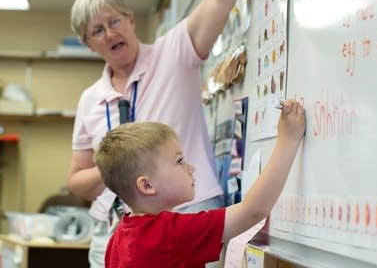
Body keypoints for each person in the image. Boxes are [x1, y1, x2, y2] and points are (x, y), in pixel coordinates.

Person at [67, 0, 272, 267]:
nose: (110, 33)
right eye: (97, 30)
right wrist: (117, 167)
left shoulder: (174, 52)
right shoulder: (91, 100)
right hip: (120, 228)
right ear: (87, 42)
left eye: (114, 21)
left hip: (189, 211)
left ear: (130, 19)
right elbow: (76, 179)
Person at [95, 100, 306, 267]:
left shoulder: (117, 239)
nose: (191, 168)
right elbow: (253, 211)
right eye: (179, 161)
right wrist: (288, 140)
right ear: (147, 185)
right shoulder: (169, 233)